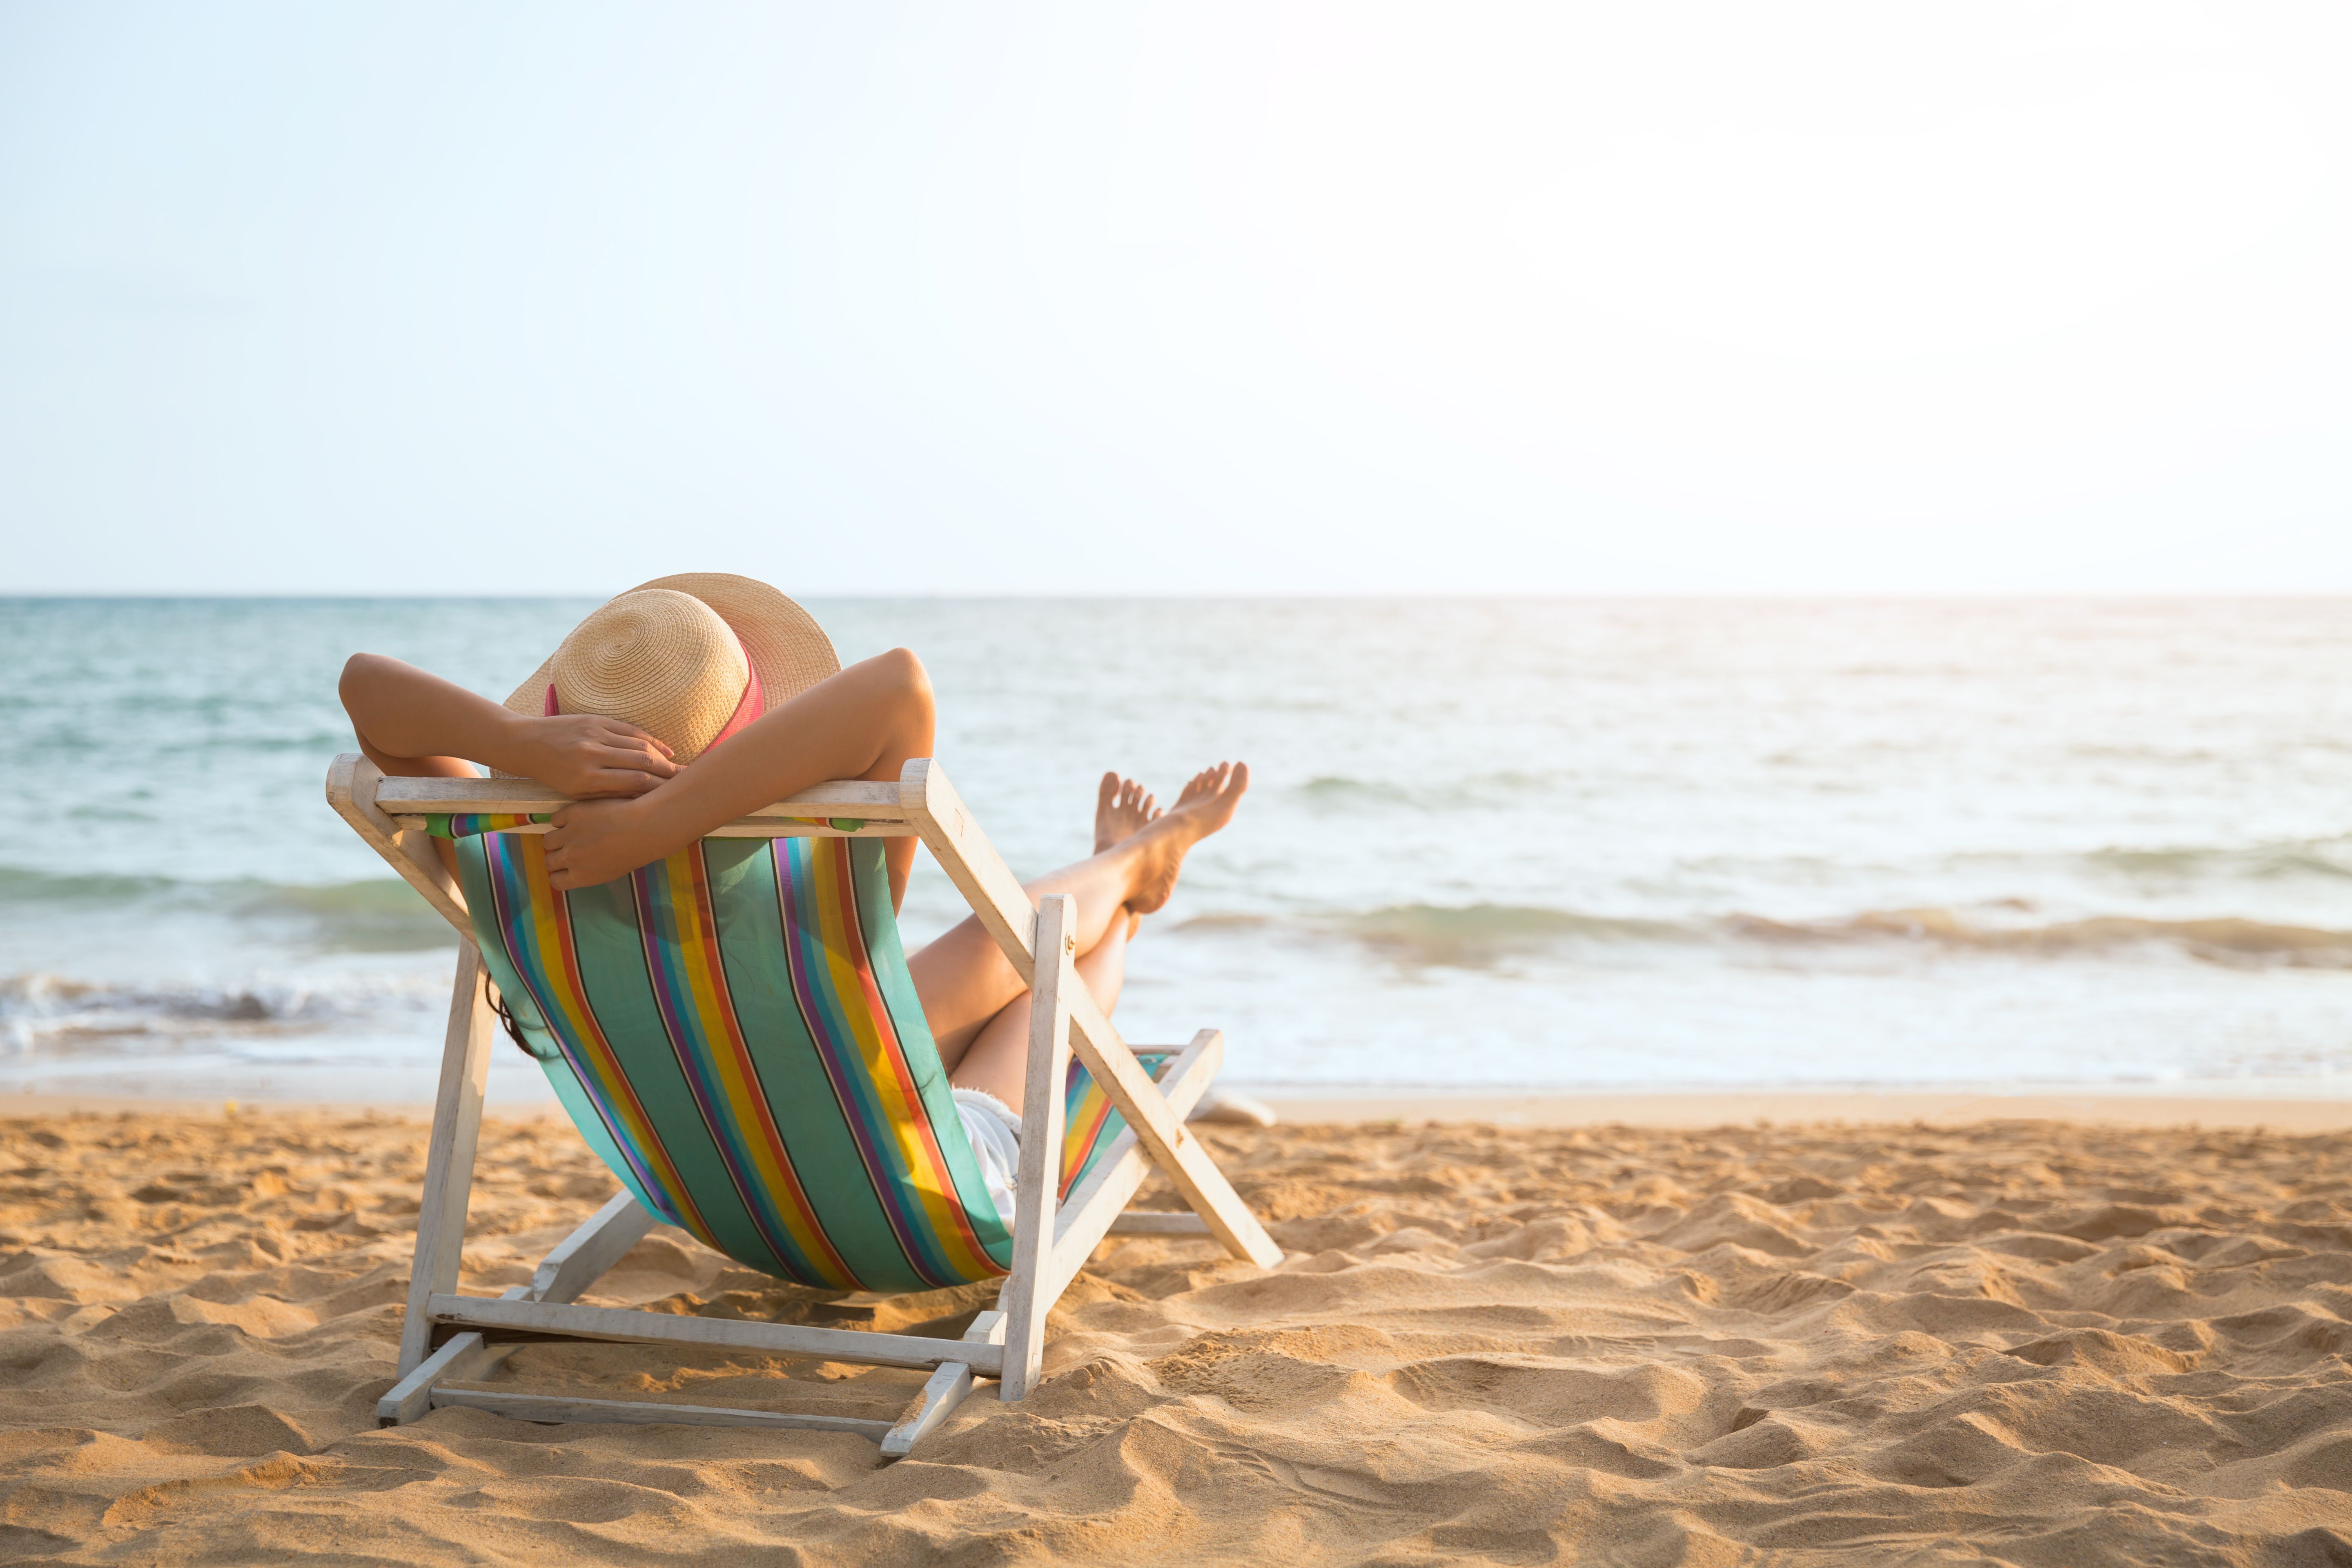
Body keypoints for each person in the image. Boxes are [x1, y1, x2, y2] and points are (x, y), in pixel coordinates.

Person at [337, 574, 1247, 1223]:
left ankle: (1131, 864)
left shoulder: (512, 869)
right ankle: (1132, 878)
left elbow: (365, 689)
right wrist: (665, 823)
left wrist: (518, 747)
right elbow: (900, 685)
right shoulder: (797, 896)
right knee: (1049, 957)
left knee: (1003, 946)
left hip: (718, 1183)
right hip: (908, 1186)